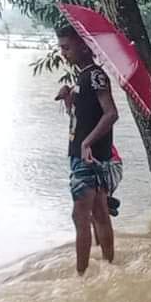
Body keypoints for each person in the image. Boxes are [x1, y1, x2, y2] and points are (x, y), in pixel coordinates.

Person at [54, 24, 120, 275]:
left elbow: (111, 113)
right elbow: (81, 118)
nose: (63, 53)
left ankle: (80, 276)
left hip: (87, 157)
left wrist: (86, 143)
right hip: (87, 155)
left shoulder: (95, 76)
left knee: (80, 217)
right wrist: (70, 99)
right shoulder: (83, 78)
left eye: (67, 47)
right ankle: (109, 268)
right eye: (61, 48)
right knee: (99, 213)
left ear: (83, 45)